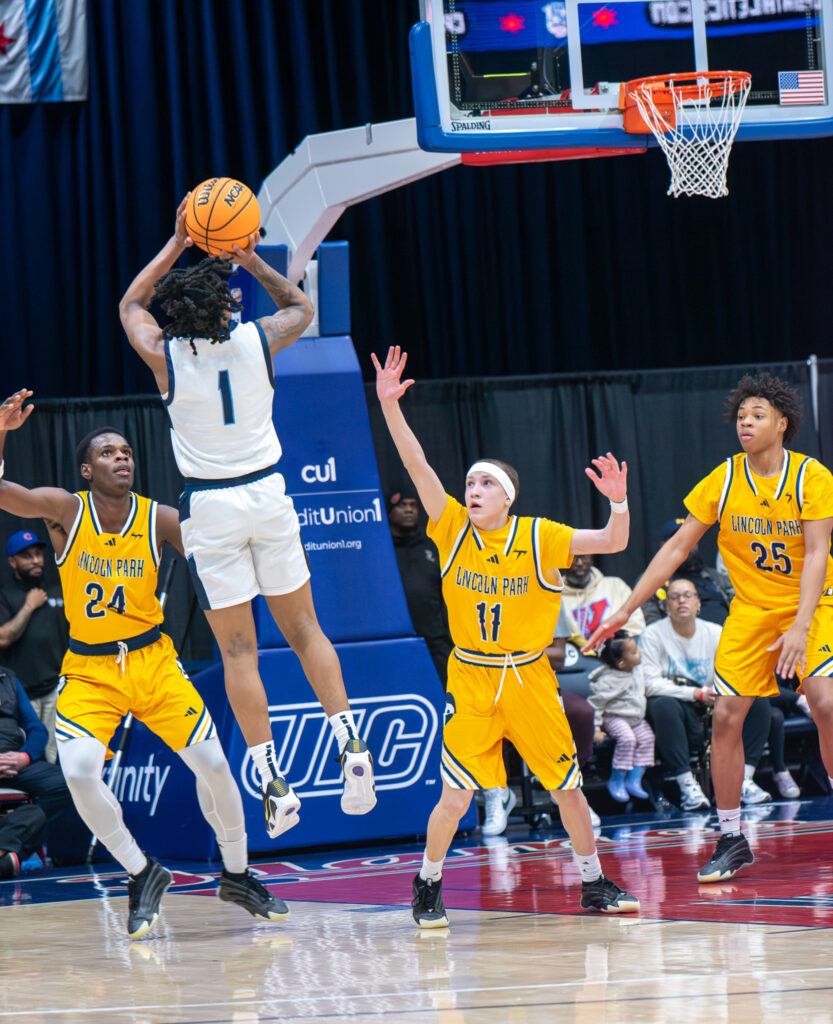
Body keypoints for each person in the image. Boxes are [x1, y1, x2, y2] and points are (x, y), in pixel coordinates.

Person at [119, 198, 376, 839]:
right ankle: (351, 743)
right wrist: (250, 257)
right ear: (227, 309)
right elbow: (302, 308)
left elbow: (131, 304)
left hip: (210, 507)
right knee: (306, 630)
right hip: (267, 494)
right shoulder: (257, 339)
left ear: (178, 315)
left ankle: (272, 782)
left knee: (238, 651)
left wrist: (179, 241)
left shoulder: (166, 356)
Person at [0, 390, 287, 938]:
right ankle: (142, 871)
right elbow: (4, 493)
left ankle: (237, 873)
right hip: (90, 670)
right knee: (78, 772)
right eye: (108, 452)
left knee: (215, 767)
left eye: (127, 451)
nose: (122, 457)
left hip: (153, 661)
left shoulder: (160, 519)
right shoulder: (67, 511)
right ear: (87, 470)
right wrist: (1, 431)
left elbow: (220, 551)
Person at [373, 346, 639, 926]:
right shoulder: (450, 528)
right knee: (455, 796)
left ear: (507, 496)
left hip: (528, 679)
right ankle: (427, 883)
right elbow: (416, 463)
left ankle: (593, 882)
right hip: (472, 678)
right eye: (469, 481)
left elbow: (613, 542)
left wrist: (618, 501)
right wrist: (389, 405)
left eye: (484, 483)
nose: (472, 489)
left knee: (568, 788)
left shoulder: (540, 536)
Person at [588, 373, 833, 883]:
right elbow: (676, 549)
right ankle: (731, 837)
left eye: (758, 415)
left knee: (825, 702)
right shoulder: (723, 479)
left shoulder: (811, 477)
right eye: (741, 415)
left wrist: (800, 626)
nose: (746, 422)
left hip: (811, 604)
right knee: (725, 716)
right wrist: (626, 608)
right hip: (751, 610)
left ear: (782, 424)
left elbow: (816, 554)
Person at [640, 577, 798, 810]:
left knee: (757, 701)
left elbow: (734, 672)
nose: (682, 601)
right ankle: (687, 786)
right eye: (675, 597)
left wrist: (720, 691)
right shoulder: (652, 635)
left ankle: (744, 780)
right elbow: (649, 683)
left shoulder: (715, 632)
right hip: (680, 702)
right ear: (666, 606)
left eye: (687, 596)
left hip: (715, 699)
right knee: (662, 705)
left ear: (698, 603)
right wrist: (695, 693)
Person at [0, 530, 69, 762]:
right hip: (20, 694)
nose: (36, 560)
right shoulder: (5, 595)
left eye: (38, 554)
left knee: (56, 756)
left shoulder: (57, 590)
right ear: (12, 562)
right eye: (27, 556)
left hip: (57, 688)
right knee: (25, 756)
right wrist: (29, 606)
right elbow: (3, 638)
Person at [0, 662, 72, 878]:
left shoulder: (7, 678)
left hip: (13, 762)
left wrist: (24, 757)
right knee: (33, 815)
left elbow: (36, 728)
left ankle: (12, 854)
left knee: (64, 783)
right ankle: (8, 859)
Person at [387, 484, 453, 688]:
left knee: (449, 694)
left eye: (413, 505)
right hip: (397, 640)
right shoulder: (383, 550)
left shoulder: (432, 546)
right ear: (389, 512)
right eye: (402, 505)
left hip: (436, 640)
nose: (409, 510)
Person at [588, 632, 655, 802]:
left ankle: (634, 779)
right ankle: (617, 779)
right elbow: (595, 704)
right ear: (621, 663)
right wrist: (595, 728)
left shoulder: (637, 670)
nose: (639, 653)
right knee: (628, 739)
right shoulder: (608, 680)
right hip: (615, 717)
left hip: (635, 718)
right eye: (634, 652)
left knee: (647, 738)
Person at [640, 518, 732, 626]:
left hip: (728, 633)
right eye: (677, 540)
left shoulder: (716, 577)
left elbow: (740, 604)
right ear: (663, 545)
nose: (684, 545)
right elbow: (650, 618)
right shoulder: (652, 580)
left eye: (690, 539)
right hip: (677, 634)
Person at [562, 554, 645, 640]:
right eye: (573, 558)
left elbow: (636, 624)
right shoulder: (557, 597)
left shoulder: (615, 585)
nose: (579, 563)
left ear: (591, 557)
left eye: (584, 556)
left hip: (618, 645)